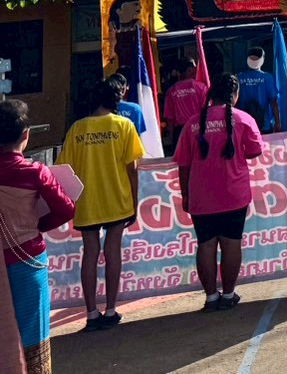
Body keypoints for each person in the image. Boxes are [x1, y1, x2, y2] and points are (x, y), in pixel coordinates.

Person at [57, 81, 144, 329]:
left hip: (87, 202)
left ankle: (91, 313)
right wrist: (134, 201)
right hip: (117, 199)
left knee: (90, 253)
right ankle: (111, 309)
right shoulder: (124, 125)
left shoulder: (77, 129)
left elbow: (65, 169)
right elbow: (132, 169)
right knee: (113, 251)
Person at [174, 74, 265, 311]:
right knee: (231, 243)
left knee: (205, 244)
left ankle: (211, 297)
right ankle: (228, 294)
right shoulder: (243, 119)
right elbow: (255, 151)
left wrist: (186, 195)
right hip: (234, 194)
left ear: (211, 94)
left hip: (201, 197)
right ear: (235, 95)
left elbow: (183, 165)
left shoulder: (192, 124)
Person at [0, 99, 76, 374]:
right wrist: (35, 226)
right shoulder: (34, 172)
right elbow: (66, 209)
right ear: (26, 135)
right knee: (33, 334)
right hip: (27, 261)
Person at [162, 56, 208, 145]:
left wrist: (172, 136)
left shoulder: (171, 91)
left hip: (180, 132)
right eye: (195, 68)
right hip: (197, 129)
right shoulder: (201, 88)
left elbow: (169, 117)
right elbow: (206, 111)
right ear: (190, 70)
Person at [236, 47, 281, 134]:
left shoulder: (239, 78)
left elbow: (234, 102)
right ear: (262, 60)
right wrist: (278, 122)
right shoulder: (267, 77)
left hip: (243, 123)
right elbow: (274, 102)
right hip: (263, 125)